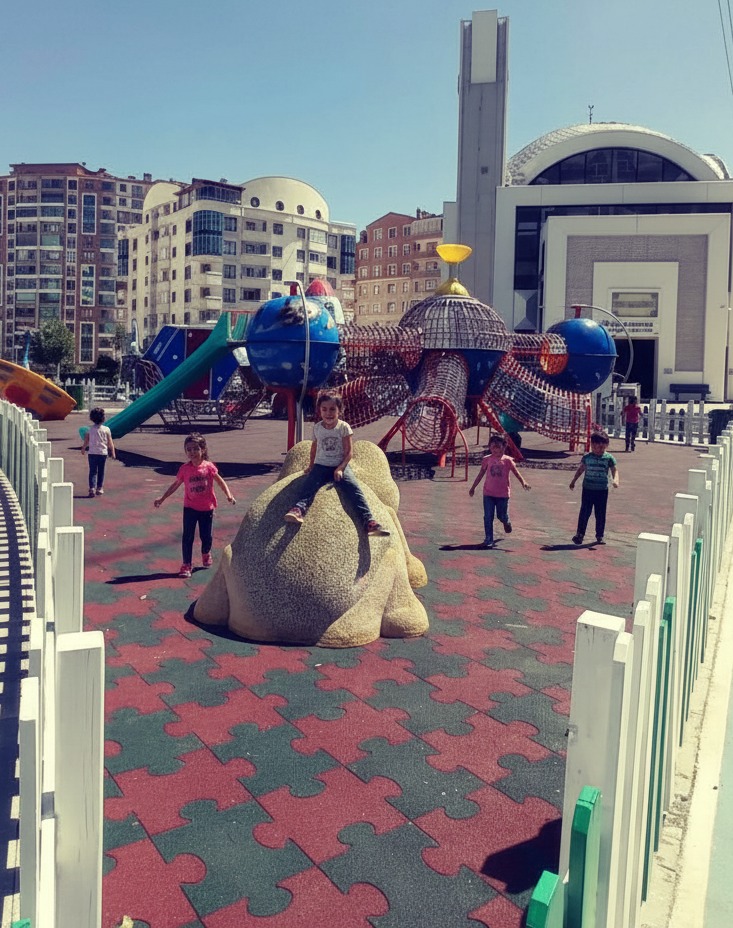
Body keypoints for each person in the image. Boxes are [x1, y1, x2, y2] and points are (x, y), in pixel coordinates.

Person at [284, 391, 390, 536]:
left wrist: (340, 468)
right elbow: (314, 448)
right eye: (324, 409)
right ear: (320, 410)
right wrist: (311, 465)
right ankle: (299, 509)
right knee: (309, 485)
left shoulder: (343, 427)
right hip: (321, 465)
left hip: (339, 465)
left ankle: (369, 522)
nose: (328, 413)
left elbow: (349, 452)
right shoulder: (317, 428)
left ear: (339, 410)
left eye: (332, 409)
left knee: (354, 489)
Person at [153, 432, 236, 578]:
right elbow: (175, 485)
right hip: (190, 508)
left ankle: (206, 552)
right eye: (189, 449)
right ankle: (186, 564)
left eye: (196, 449)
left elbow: (220, 481)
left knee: (206, 536)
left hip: (207, 508)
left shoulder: (209, 467)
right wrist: (163, 498)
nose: (192, 452)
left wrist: (229, 495)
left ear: (202, 449)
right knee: (187, 536)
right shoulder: (184, 469)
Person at [468, 434, 531, 548]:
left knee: (501, 515)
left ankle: (506, 521)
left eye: (498, 447)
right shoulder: (487, 459)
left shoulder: (507, 461)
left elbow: (516, 473)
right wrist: (473, 487)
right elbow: (481, 474)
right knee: (488, 516)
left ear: (504, 446)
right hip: (488, 493)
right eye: (493, 447)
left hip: (503, 494)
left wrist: (524, 482)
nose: (495, 450)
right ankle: (489, 539)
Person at [569, 431, 619, 545]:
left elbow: (614, 470)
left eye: (602, 447)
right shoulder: (587, 457)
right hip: (588, 489)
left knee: (600, 513)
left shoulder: (608, 458)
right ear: (591, 445)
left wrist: (616, 480)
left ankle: (599, 535)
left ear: (606, 446)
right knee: (585, 512)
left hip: (602, 490)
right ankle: (580, 534)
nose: (599, 450)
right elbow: (581, 470)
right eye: (596, 447)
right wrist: (573, 481)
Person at [81, 407, 116, 497]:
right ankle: (99, 488)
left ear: (92, 418)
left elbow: (86, 441)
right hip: (102, 453)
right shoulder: (106, 429)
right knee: (101, 471)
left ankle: (92, 488)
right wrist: (113, 452)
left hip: (92, 453)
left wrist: (83, 448)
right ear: (103, 418)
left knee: (92, 471)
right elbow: (110, 442)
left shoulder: (89, 429)